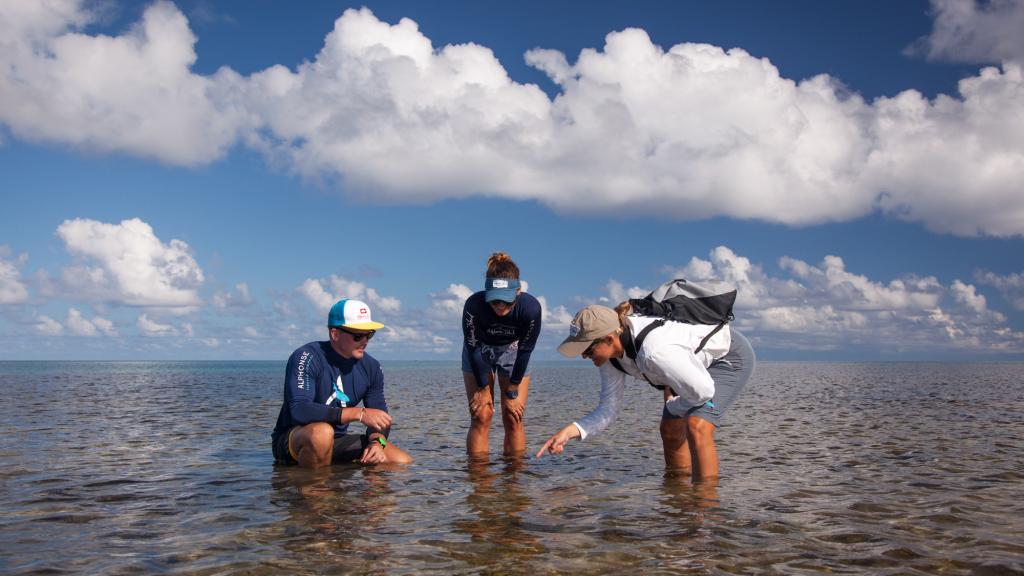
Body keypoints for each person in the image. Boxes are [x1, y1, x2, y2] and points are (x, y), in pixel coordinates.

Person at [536, 302, 754, 482]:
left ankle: (704, 509)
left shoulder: (654, 353)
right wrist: (570, 431)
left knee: (697, 425)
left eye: (587, 350)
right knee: (669, 428)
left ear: (610, 338)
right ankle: (678, 497)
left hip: (727, 355)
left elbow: (704, 392)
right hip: (686, 367)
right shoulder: (609, 359)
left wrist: (673, 405)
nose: (584, 356)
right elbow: (608, 411)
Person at [272, 299, 412, 468]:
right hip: (294, 439)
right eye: (358, 335)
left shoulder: (372, 367)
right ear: (335, 334)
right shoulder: (307, 356)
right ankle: (314, 490)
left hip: (336, 440)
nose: (365, 341)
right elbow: (299, 410)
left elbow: (380, 418)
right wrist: (358, 413)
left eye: (369, 334)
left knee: (400, 461)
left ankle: (366, 493)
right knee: (322, 433)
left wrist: (377, 444)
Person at [462, 252, 542, 457]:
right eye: (495, 300)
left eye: (506, 301)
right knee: (481, 414)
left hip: (515, 351)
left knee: (513, 416)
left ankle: (514, 481)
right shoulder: (473, 305)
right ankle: (480, 481)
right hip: (479, 351)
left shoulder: (530, 309)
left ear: (518, 292)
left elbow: (526, 350)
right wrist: (482, 387)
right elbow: (473, 347)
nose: (499, 306)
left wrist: (513, 390)